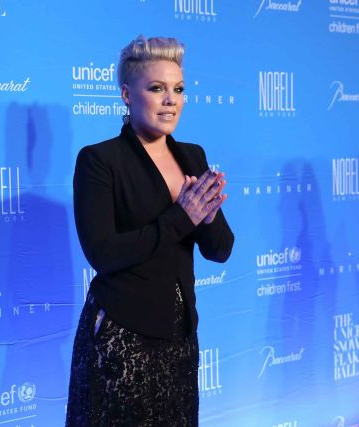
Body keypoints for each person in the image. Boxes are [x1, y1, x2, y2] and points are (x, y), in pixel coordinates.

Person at [65, 35, 235, 426]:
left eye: (178, 89)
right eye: (157, 88)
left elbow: (221, 249)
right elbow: (103, 252)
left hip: (180, 338)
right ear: (127, 95)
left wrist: (207, 217)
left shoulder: (192, 156)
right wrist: (182, 216)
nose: (170, 100)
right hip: (123, 336)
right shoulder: (100, 160)